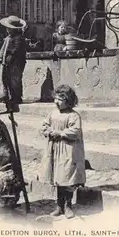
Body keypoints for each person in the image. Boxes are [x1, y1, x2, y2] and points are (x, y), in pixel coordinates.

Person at [40, 85, 86, 219]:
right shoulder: (52, 113)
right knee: (58, 178)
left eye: (60, 99)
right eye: (55, 99)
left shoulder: (73, 116)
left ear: (68, 100)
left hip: (68, 151)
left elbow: (75, 131)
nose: (56, 102)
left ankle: (68, 205)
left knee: (67, 177)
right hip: (55, 150)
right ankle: (59, 205)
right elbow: (44, 125)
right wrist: (48, 131)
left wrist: (60, 133)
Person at [0, 15, 27, 112]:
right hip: (7, 63)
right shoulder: (7, 38)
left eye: (9, 28)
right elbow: (3, 49)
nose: (7, 30)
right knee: (6, 80)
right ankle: (7, 98)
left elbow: (15, 51)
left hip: (16, 64)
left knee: (15, 81)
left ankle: (16, 98)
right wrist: (1, 58)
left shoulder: (19, 39)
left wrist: (9, 59)